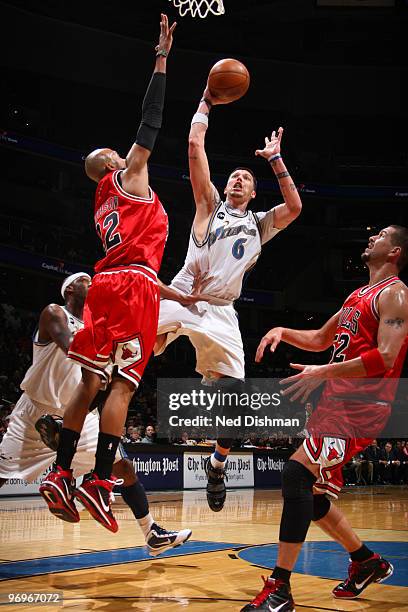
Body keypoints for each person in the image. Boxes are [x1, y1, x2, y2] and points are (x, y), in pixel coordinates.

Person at [40, 15, 177, 533]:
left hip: (106, 285)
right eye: (116, 154)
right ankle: (99, 481)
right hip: (135, 284)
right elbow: (152, 120)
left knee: (90, 379)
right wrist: (161, 58)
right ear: (111, 163)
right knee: (123, 387)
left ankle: (59, 473)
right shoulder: (128, 176)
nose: (124, 153)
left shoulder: (100, 203)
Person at [154, 84, 302, 512]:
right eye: (235, 175)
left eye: (246, 178)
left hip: (221, 312)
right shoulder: (209, 203)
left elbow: (293, 207)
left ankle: (217, 465)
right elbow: (193, 144)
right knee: (128, 336)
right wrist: (204, 99)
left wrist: (274, 160)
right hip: (183, 294)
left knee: (236, 400)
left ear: (254, 193)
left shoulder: (259, 224)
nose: (238, 178)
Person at [247, 225, 408, 610]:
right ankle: (365, 560)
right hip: (337, 403)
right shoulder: (358, 295)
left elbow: (385, 357)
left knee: (296, 475)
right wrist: (283, 330)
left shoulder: (396, 294)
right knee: (313, 494)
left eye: (381, 234)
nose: (371, 237)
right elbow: (321, 339)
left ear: (395, 251)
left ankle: (280, 588)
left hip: (361, 407)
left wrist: (321, 373)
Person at [0, 273, 191, 555]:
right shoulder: (55, 313)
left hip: (76, 416)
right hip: (34, 412)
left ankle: (151, 532)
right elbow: (75, 351)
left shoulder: (99, 328)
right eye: (85, 281)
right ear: (70, 290)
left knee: (124, 468)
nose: (92, 284)